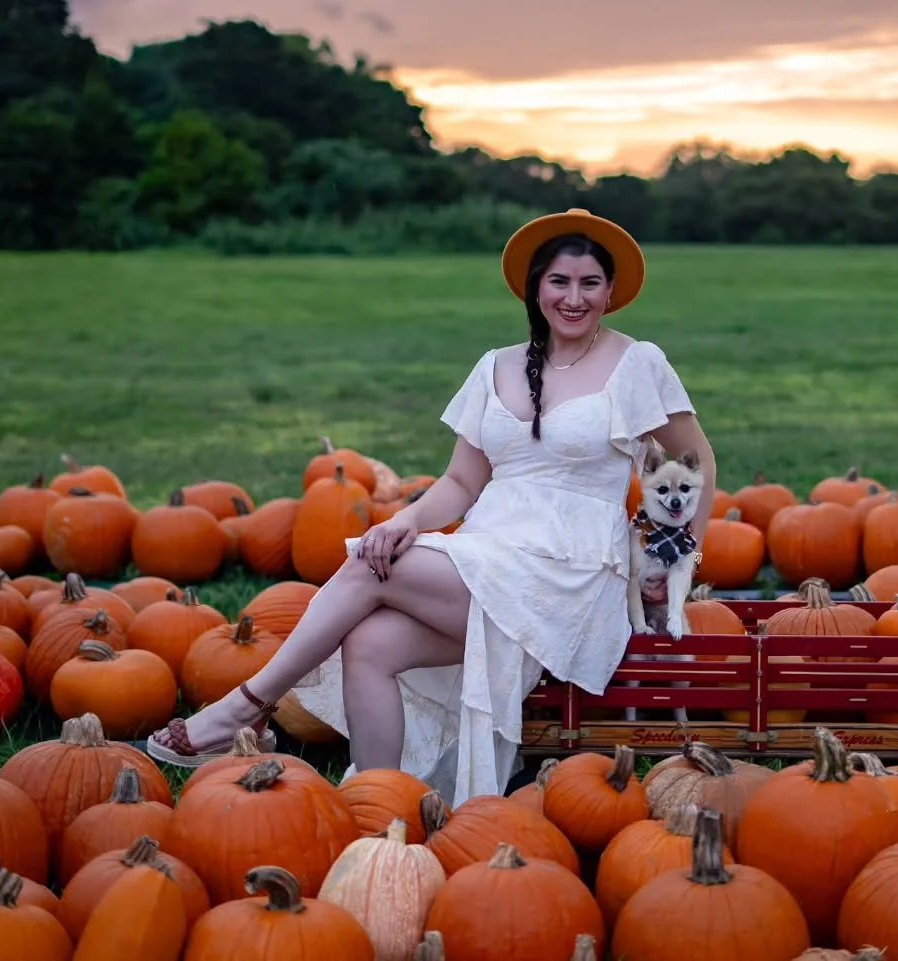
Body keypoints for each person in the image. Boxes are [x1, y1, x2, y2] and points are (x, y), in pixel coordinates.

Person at [146, 208, 716, 806]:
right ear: (535, 288)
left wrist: (682, 560)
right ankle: (377, 805)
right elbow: (461, 482)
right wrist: (404, 520)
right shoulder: (495, 366)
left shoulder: (636, 363)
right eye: (559, 282)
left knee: (370, 569)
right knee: (369, 644)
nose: (574, 298)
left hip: (568, 575)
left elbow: (698, 458)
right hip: (489, 552)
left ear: (610, 291)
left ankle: (245, 708)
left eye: (589, 283)